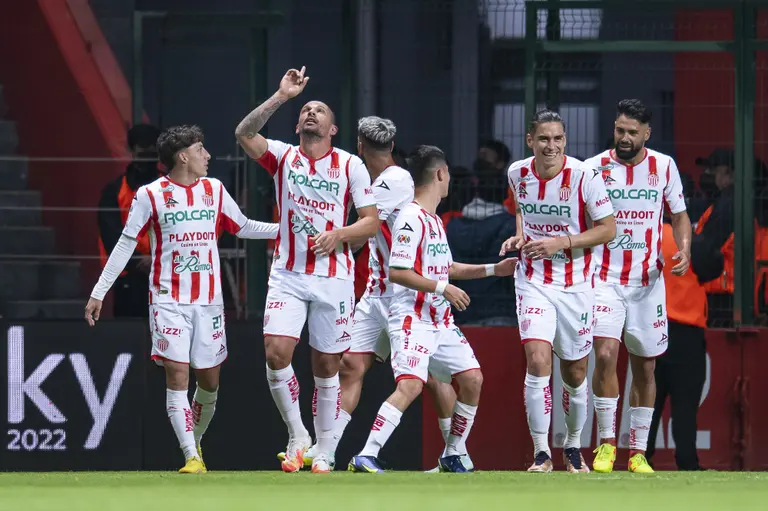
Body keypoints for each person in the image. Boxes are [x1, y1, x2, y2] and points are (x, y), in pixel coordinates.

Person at [84, 125, 279, 473]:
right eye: (201, 149)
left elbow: (244, 226)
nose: (208, 156)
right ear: (183, 156)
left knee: (209, 381)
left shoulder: (214, 190)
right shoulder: (151, 195)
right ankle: (190, 455)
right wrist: (100, 290)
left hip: (209, 303)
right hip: (167, 300)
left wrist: (286, 230)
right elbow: (126, 243)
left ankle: (196, 442)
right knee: (177, 375)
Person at [235, 67, 379, 474]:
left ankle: (327, 449)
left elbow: (371, 222)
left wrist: (341, 234)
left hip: (334, 278)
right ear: (299, 123)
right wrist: (282, 96)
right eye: (308, 110)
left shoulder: (350, 165)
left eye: (321, 111)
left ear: (333, 129)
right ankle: (298, 434)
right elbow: (244, 133)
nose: (313, 112)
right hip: (288, 273)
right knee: (276, 353)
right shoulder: (282, 156)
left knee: (327, 365)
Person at [347, 145, 516, 473]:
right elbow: (398, 271)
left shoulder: (435, 221)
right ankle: (366, 453)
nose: (450, 178)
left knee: (472, 379)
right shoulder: (410, 217)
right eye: (448, 172)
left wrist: (495, 269)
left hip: (441, 320)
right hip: (413, 317)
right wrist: (443, 288)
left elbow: (446, 268)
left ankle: (453, 453)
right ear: (440, 174)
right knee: (410, 385)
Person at [502, 109, 616, 473]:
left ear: (565, 140)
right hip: (533, 280)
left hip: (578, 284)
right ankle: (541, 453)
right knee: (537, 361)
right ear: (530, 140)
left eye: (558, 139)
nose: (551, 146)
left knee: (576, 373)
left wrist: (561, 243)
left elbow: (608, 229)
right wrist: (522, 234)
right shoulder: (517, 173)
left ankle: (571, 446)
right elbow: (523, 208)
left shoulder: (585, 177)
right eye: (544, 139)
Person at [584, 99, 692, 474]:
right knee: (605, 356)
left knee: (646, 366)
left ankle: (638, 452)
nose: (624, 138)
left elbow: (679, 215)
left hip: (648, 282)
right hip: (603, 279)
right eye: (619, 130)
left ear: (647, 133)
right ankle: (606, 445)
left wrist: (684, 249)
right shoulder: (593, 168)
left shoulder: (664, 166)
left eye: (632, 132)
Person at [646, 210, 708, 471]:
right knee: (685, 405)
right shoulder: (690, 239)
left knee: (648, 400)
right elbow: (713, 267)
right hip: (687, 332)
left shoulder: (646, 237)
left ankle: (640, 457)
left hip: (651, 328)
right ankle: (687, 461)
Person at [97, 124, 162, 317]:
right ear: (132, 152)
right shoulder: (115, 192)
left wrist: (158, 260)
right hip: (130, 278)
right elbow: (111, 236)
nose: (148, 158)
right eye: (143, 152)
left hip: (167, 275)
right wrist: (139, 262)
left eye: (152, 152)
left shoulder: (174, 188)